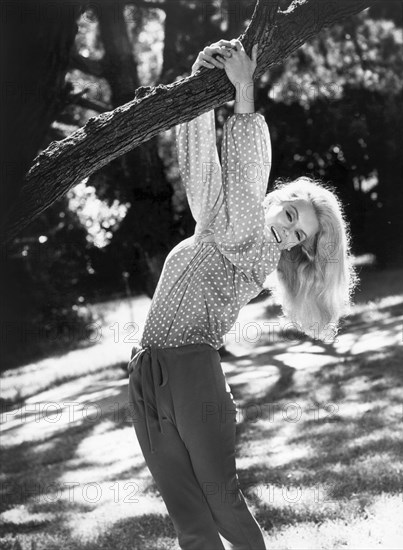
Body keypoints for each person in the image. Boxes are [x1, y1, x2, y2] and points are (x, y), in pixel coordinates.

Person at [128, 39, 357, 550]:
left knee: (222, 501)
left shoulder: (256, 255)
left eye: (300, 237)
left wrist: (244, 89)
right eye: (293, 217)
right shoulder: (215, 221)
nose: (289, 233)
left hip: (193, 376)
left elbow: (246, 177)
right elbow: (202, 165)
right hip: (146, 372)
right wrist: (202, 83)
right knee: (188, 516)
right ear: (281, 200)